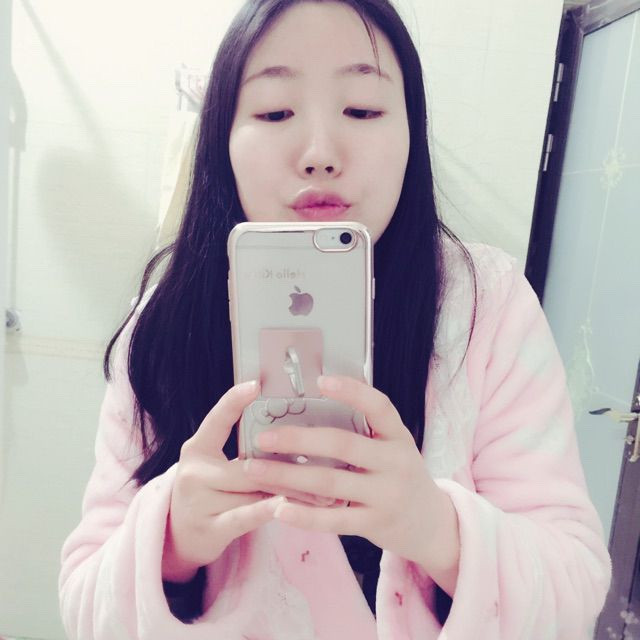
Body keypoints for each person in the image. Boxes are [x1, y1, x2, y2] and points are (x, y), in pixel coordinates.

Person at [58, 1, 612, 638]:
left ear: (411, 131)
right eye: (275, 112)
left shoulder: (489, 304)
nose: (320, 153)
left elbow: (575, 586)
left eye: (363, 110)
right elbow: (83, 603)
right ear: (221, 140)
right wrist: (172, 541)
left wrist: (437, 530)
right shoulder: (164, 318)